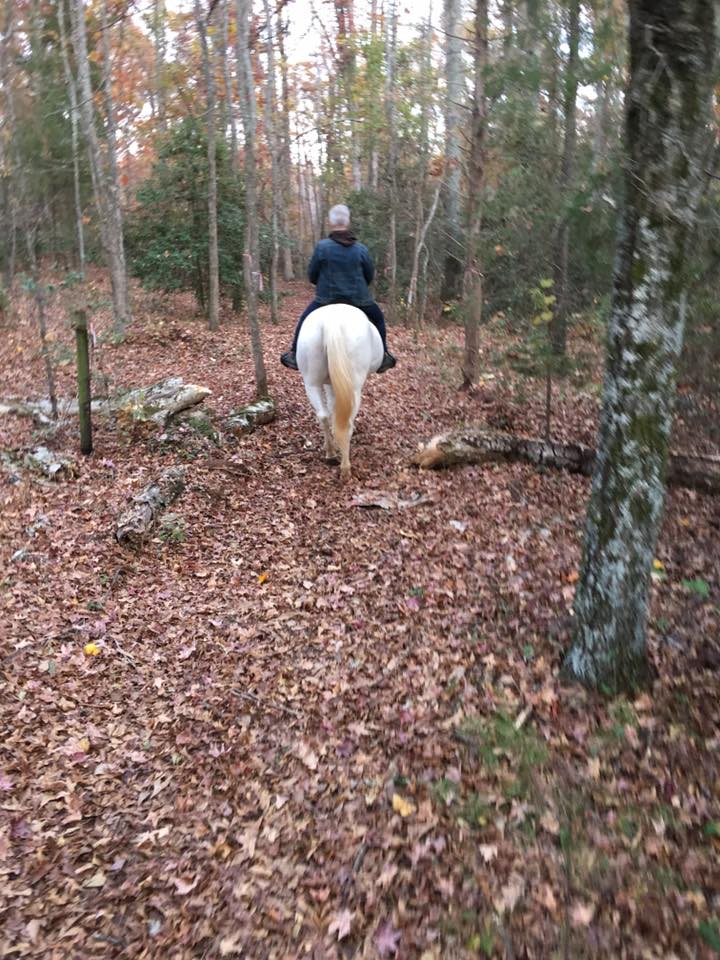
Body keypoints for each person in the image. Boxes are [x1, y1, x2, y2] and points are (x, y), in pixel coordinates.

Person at [280, 204, 397, 373]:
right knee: (378, 318)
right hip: (359, 300)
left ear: (331, 222)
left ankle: (294, 353)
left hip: (326, 300)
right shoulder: (361, 249)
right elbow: (369, 275)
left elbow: (312, 275)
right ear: (347, 221)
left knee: (304, 320)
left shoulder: (322, 247)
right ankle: (384, 355)